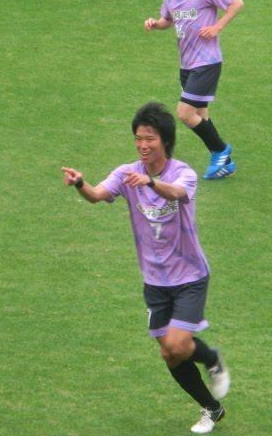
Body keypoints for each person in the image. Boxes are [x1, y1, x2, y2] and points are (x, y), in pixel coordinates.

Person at [62, 102, 230, 434]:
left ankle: (212, 359)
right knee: (170, 354)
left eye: (149, 138)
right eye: (138, 138)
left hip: (190, 276)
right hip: (154, 281)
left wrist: (150, 183)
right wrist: (81, 183)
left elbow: (177, 193)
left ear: (165, 140)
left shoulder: (183, 173)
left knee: (178, 344)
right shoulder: (127, 173)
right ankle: (212, 408)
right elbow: (97, 194)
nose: (142, 145)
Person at [144, 0, 244, 180]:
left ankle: (220, 150)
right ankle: (225, 163)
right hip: (186, 64)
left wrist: (217, 27)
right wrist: (155, 23)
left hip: (207, 62)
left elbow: (236, 3)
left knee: (185, 113)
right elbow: (168, 20)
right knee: (200, 114)